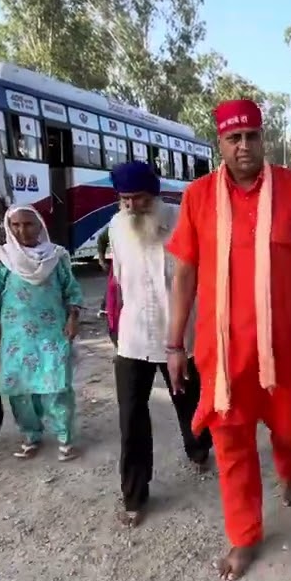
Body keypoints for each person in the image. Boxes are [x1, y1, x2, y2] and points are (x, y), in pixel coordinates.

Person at [166, 98, 291, 581]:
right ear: (219, 143)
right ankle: (243, 536)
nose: (244, 146)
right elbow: (184, 274)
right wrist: (174, 344)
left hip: (286, 350)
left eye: (252, 136)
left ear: (264, 139)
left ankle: (288, 467)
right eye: (233, 138)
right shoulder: (198, 196)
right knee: (232, 445)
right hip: (223, 356)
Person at [107, 161, 213, 526]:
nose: (133, 207)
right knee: (131, 418)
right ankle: (135, 495)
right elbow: (118, 278)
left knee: (189, 400)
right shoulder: (117, 226)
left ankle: (199, 449)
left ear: (155, 193)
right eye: (125, 200)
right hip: (134, 335)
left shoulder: (186, 219)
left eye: (139, 199)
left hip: (182, 335)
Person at [0, 206, 85, 462]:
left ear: (40, 226)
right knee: (20, 392)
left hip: (53, 335)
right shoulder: (2, 261)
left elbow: (72, 292)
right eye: (15, 225)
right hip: (16, 341)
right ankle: (31, 436)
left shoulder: (56, 258)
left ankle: (65, 438)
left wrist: (73, 319)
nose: (21, 230)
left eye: (28, 224)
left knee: (57, 386)